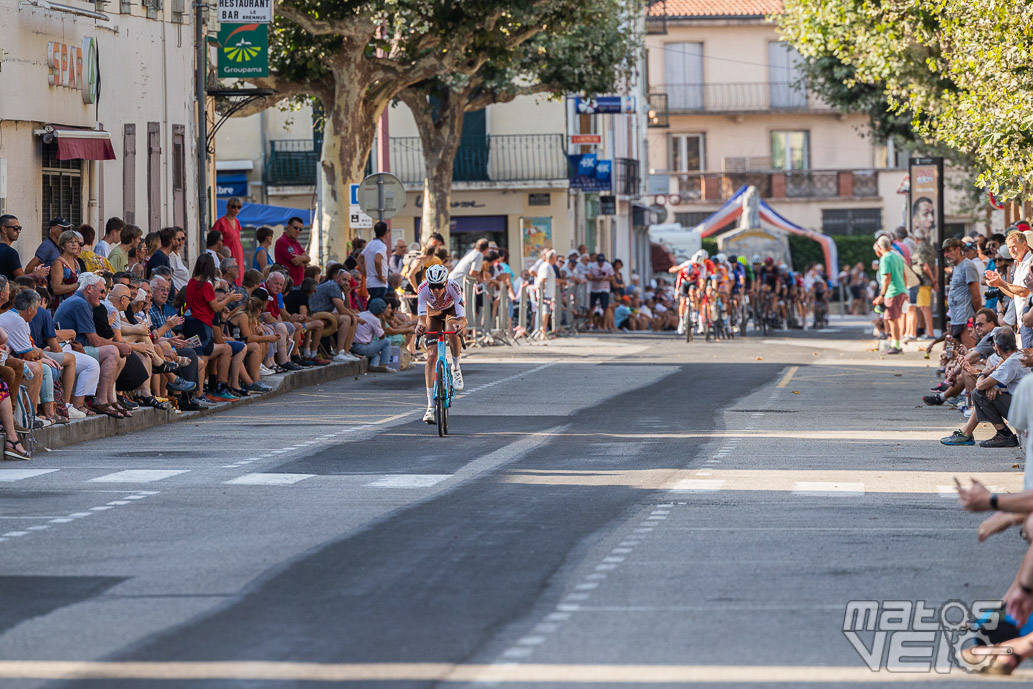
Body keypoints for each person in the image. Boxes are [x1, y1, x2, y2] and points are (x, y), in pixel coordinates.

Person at [53, 273, 132, 418]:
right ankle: (100, 401)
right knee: (112, 352)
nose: (104, 296)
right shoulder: (80, 303)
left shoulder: (81, 302)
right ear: (89, 288)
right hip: (65, 349)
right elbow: (95, 341)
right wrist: (119, 345)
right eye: (102, 291)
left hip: (73, 348)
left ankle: (109, 399)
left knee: (116, 353)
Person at [183, 254, 243, 402]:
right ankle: (201, 394)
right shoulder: (206, 284)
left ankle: (209, 389)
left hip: (190, 322)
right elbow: (215, 306)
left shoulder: (191, 282)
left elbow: (204, 301)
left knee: (222, 350)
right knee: (202, 358)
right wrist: (228, 299)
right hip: (202, 324)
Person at [414, 264, 466, 423]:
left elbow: (463, 318)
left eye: (439, 286)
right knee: (431, 356)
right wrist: (420, 326)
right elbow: (422, 317)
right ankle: (430, 407)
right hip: (433, 315)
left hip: (451, 312)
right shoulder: (423, 289)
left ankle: (455, 367)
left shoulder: (454, 287)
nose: (435, 290)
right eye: (432, 286)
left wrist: (461, 326)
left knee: (453, 328)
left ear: (445, 283)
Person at [988, 229, 1033, 347]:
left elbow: (1024, 291)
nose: (1012, 251)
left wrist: (1002, 284)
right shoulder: (1018, 264)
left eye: (1014, 246)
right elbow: (1015, 294)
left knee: (1028, 359)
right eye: (1009, 248)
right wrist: (998, 283)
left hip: (1029, 321)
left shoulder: (1030, 262)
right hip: (1022, 322)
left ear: (1024, 244)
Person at [943, 236, 983, 349]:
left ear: (957, 250)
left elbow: (976, 295)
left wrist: (977, 318)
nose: (946, 254)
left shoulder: (967, 265)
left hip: (966, 318)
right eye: (944, 251)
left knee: (969, 352)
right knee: (959, 354)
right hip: (956, 317)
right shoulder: (956, 267)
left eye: (948, 250)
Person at [872, 235, 907, 353]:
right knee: (895, 318)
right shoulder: (896, 256)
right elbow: (904, 274)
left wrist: (882, 295)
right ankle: (894, 343)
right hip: (900, 289)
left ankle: (896, 345)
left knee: (891, 319)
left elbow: (887, 278)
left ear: (879, 247)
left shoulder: (885, 258)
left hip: (892, 291)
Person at [350, 298, 396, 374]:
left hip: (353, 346)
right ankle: (384, 365)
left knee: (375, 355)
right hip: (362, 348)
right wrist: (383, 321)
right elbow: (382, 337)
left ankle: (373, 366)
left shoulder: (362, 314)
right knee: (387, 341)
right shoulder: (375, 320)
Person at [212, 197, 246, 285]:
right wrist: (220, 256)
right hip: (227, 256)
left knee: (238, 278)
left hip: (238, 255)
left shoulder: (237, 221)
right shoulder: (221, 222)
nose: (236, 209)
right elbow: (212, 242)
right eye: (233, 206)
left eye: (239, 207)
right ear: (227, 207)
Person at [49, 230, 82, 310]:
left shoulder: (76, 262)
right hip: (63, 307)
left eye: (76, 241)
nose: (74, 244)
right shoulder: (58, 263)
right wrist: (77, 285)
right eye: (70, 242)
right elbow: (56, 289)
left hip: (75, 305)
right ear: (63, 246)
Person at [274, 217, 310, 287]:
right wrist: (305, 260)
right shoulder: (282, 241)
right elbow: (296, 262)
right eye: (295, 228)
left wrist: (303, 259)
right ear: (288, 226)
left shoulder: (296, 243)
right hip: (289, 284)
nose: (298, 231)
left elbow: (308, 258)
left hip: (298, 283)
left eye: (300, 229)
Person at [361, 221, 390, 300]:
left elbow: (359, 259)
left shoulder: (370, 244)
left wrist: (366, 274)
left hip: (370, 282)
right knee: (378, 308)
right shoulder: (382, 246)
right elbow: (377, 260)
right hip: (378, 283)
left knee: (373, 305)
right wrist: (381, 277)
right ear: (385, 232)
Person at [168, 226, 190, 292]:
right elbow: (169, 279)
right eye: (178, 239)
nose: (180, 242)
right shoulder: (171, 256)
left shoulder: (177, 255)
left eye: (183, 239)